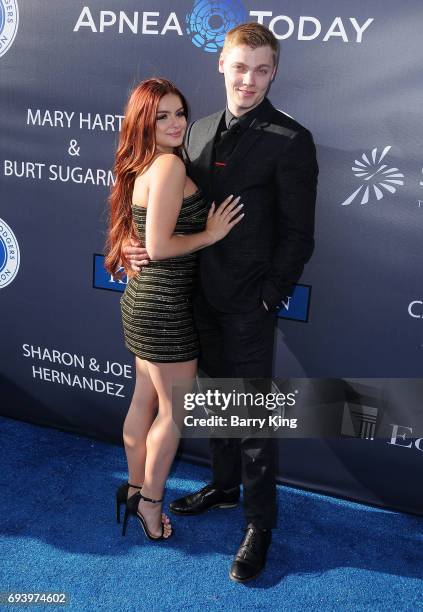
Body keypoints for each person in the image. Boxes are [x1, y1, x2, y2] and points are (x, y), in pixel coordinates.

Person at [123, 23, 318, 580]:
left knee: (255, 418)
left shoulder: (290, 139)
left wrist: (268, 297)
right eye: (239, 67)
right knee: (213, 402)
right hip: (193, 299)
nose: (249, 80)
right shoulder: (195, 129)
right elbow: (160, 205)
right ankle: (226, 489)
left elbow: (299, 235)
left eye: (261, 69)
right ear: (221, 67)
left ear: (274, 72)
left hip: (249, 303)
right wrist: (132, 245)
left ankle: (259, 524)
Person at [104, 78, 244, 542]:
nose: (175, 123)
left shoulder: (148, 164)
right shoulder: (165, 166)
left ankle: (136, 486)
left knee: (144, 398)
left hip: (145, 302)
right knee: (173, 411)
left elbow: (143, 235)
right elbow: (161, 247)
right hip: (164, 305)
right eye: (161, 115)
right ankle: (149, 504)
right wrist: (211, 234)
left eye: (179, 113)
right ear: (144, 121)